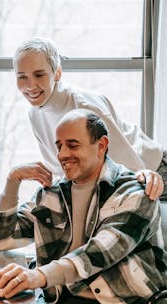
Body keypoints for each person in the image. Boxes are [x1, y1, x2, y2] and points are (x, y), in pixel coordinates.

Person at [0, 109, 167, 304]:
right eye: (59, 145)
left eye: (72, 145)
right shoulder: (52, 194)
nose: (63, 154)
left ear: (101, 145)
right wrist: (12, 181)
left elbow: (100, 252)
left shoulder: (136, 192)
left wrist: (39, 276)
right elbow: (2, 239)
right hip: (62, 299)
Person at [12, 36, 167, 200]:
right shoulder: (34, 113)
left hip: (153, 170)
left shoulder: (85, 106)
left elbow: (126, 163)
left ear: (57, 73)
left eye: (39, 75)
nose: (30, 86)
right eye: (22, 77)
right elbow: (59, 169)